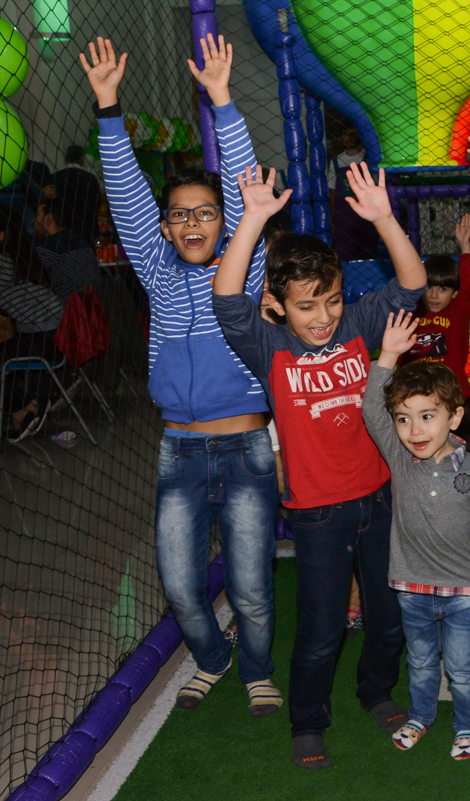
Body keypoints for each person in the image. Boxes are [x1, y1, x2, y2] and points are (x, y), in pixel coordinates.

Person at [82, 35, 282, 715]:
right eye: (179, 215)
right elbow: (130, 193)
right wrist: (108, 105)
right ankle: (214, 656)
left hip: (248, 447)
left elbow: (246, 185)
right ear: (165, 229)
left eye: (205, 212)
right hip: (181, 448)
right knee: (179, 582)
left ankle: (256, 665)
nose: (191, 221)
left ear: (224, 224)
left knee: (252, 584)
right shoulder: (158, 270)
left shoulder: (243, 267)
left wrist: (222, 98)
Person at [211, 162, 425, 768]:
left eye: (330, 300)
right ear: (277, 307)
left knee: (387, 620)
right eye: (307, 306)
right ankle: (309, 720)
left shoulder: (357, 325)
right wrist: (253, 218)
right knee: (322, 630)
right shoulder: (270, 345)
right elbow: (226, 299)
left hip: (380, 500)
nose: (323, 316)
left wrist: (384, 219)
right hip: (318, 515)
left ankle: (376, 691)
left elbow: (410, 284)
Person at [362, 328, 470, 762]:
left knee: (463, 671)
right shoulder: (400, 458)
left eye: (427, 416)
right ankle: (421, 715)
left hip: (465, 593)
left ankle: (468, 727)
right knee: (421, 664)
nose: (413, 429)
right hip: (412, 589)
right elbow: (372, 408)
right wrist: (388, 354)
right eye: (404, 419)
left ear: (455, 418)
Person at [1, 209, 64, 441]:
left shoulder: (3, 260)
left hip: (45, 339)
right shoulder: (20, 252)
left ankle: (26, 409)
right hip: (55, 333)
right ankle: (35, 402)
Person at [402, 213, 470, 395]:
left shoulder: (457, 311)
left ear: (455, 294)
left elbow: (469, 285)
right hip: (417, 391)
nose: (434, 295)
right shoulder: (412, 315)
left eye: (443, 289)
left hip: (452, 393)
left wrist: (465, 245)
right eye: (429, 287)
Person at [328, 126, 380, 262]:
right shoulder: (336, 162)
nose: (349, 138)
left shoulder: (368, 159)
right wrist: (333, 221)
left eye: (352, 133)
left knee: (368, 253)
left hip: (366, 214)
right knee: (346, 254)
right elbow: (332, 191)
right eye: (345, 134)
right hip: (344, 216)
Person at [34, 197, 99, 301]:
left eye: (37, 214)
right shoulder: (81, 241)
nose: (34, 220)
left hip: (68, 311)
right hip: (93, 307)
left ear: (48, 219)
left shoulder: (46, 249)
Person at [52, 144, 102, 241]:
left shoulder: (55, 177)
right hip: (87, 231)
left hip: (62, 232)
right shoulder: (90, 179)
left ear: (66, 159)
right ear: (82, 159)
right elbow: (96, 204)